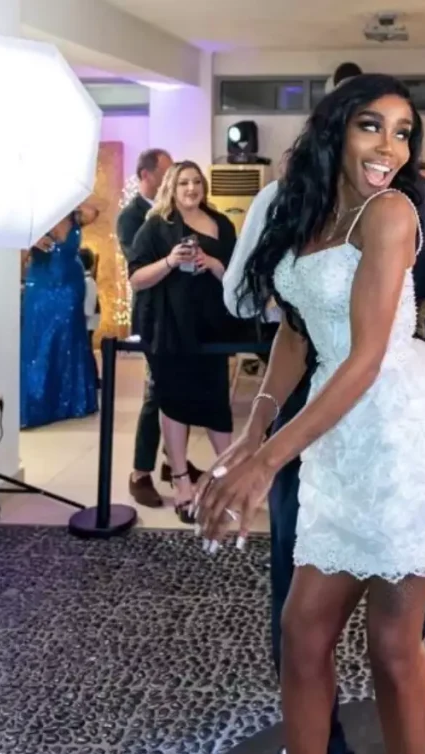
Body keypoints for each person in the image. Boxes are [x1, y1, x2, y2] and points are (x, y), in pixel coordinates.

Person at [199, 74, 425, 754]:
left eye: (403, 133)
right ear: (335, 130)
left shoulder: (392, 213)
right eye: (371, 126)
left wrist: (267, 463)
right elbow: (297, 332)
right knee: (301, 634)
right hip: (337, 434)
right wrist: (252, 434)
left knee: (391, 644)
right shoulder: (303, 210)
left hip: (398, 432)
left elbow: (366, 357)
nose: (390, 148)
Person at [128, 161, 239, 522]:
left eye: (196, 182)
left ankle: (226, 479)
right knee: (174, 403)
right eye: (183, 183)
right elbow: (136, 278)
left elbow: (236, 275)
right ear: (171, 189)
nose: (191, 188)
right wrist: (170, 261)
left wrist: (214, 264)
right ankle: (181, 482)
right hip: (169, 331)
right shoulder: (155, 227)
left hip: (212, 329)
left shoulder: (221, 224)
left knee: (216, 404)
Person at [117, 148, 193, 509]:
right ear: (146, 175)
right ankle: (140, 472)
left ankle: (173, 463)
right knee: (155, 393)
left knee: (182, 391)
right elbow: (139, 264)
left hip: (182, 314)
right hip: (154, 316)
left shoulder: (178, 212)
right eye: (166, 173)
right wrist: (171, 259)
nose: (172, 180)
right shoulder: (131, 217)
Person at [21, 206, 100, 429]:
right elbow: (17, 261)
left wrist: (71, 203)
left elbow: (94, 211)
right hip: (41, 287)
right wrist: (31, 239)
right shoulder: (32, 217)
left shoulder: (75, 214)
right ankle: (38, 403)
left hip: (71, 286)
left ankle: (72, 402)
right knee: (41, 343)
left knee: (69, 339)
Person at [79, 247, 101, 387]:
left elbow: (89, 306)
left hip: (88, 321)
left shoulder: (88, 281)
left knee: (87, 348)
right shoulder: (86, 280)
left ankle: (93, 377)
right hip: (88, 319)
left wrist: (83, 316)